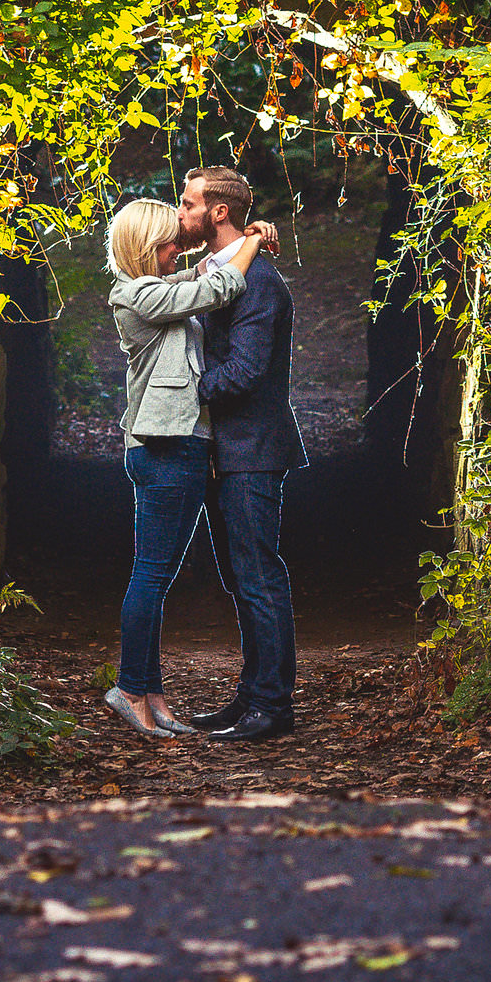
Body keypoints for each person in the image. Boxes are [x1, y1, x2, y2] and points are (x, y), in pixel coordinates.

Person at [100, 195, 274, 740]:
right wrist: (251, 242)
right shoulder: (136, 294)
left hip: (179, 446)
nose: (180, 246)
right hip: (166, 447)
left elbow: (201, 276)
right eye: (170, 241)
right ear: (148, 248)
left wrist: (230, 247)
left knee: (158, 575)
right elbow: (218, 287)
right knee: (151, 574)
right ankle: (130, 688)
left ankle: (151, 694)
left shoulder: (161, 290)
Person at [170, 166, 304, 743]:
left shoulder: (260, 283)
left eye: (188, 203)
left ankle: (272, 707)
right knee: (239, 577)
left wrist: (180, 385)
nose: (182, 212)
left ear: (218, 212)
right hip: (226, 452)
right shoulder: (216, 270)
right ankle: (250, 698)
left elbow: (245, 372)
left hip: (251, 452)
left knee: (257, 578)